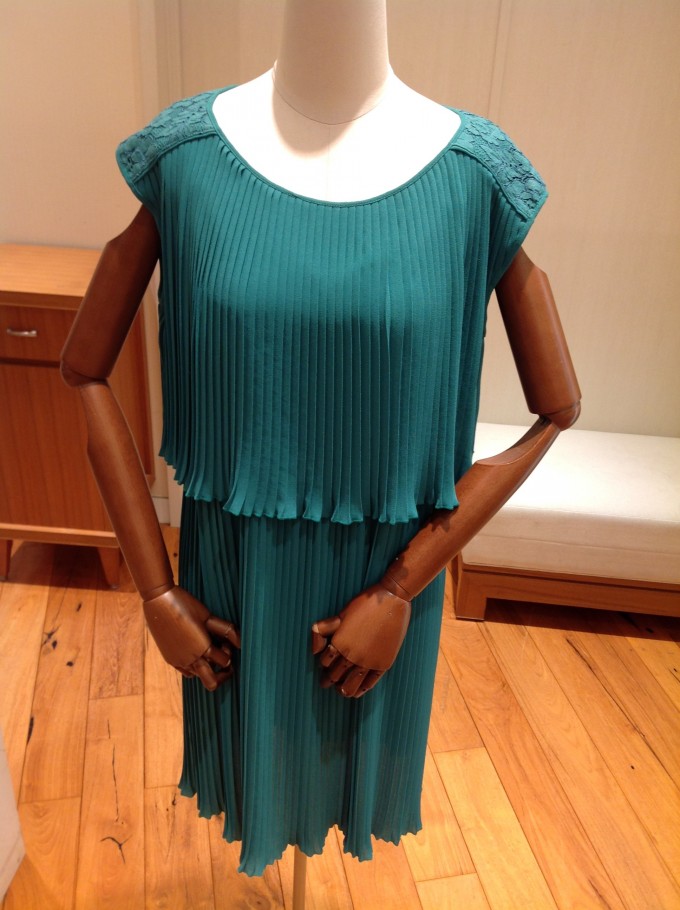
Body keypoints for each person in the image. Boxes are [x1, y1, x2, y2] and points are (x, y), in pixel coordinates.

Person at [62, 0, 579, 877]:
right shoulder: (185, 161)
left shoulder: (476, 179)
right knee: (254, 777)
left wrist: (402, 590)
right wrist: (155, 589)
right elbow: (84, 368)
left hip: (388, 590)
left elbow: (557, 407)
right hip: (231, 597)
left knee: (346, 779)